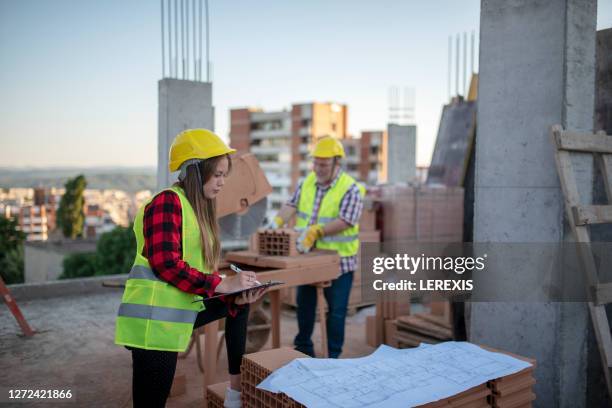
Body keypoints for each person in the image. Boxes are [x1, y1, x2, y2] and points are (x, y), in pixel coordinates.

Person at [115, 129, 266, 408]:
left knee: (238, 301)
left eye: (224, 175)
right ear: (196, 170)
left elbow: (195, 265)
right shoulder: (166, 202)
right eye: (218, 174)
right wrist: (223, 284)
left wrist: (232, 284)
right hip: (153, 321)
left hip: (178, 308)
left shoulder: (194, 208)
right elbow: (166, 264)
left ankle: (235, 394)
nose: (222, 183)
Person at [270, 136, 364, 358]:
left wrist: (317, 230)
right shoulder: (306, 182)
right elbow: (291, 204)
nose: (318, 168)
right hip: (309, 257)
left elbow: (347, 220)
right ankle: (304, 348)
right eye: (316, 163)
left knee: (336, 312)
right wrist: (277, 222)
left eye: (324, 164)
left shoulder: (350, 188)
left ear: (336, 163)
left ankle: (332, 356)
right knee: (305, 306)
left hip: (339, 261)